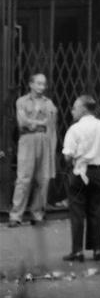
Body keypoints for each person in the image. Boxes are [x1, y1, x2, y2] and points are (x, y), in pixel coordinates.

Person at [61, 95, 100, 262]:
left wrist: (75, 160)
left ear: (83, 109)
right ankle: (97, 249)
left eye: (75, 108)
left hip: (79, 172)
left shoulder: (74, 129)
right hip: (97, 173)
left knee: (77, 212)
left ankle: (77, 251)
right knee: (95, 211)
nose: (72, 111)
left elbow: (67, 155)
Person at [8, 72, 58, 228]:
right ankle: (16, 215)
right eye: (38, 83)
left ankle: (37, 214)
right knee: (23, 178)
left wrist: (52, 146)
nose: (41, 87)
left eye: (43, 84)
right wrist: (39, 123)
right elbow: (22, 122)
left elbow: (51, 125)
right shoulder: (22, 101)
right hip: (27, 140)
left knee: (42, 179)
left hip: (44, 140)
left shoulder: (48, 103)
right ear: (30, 84)